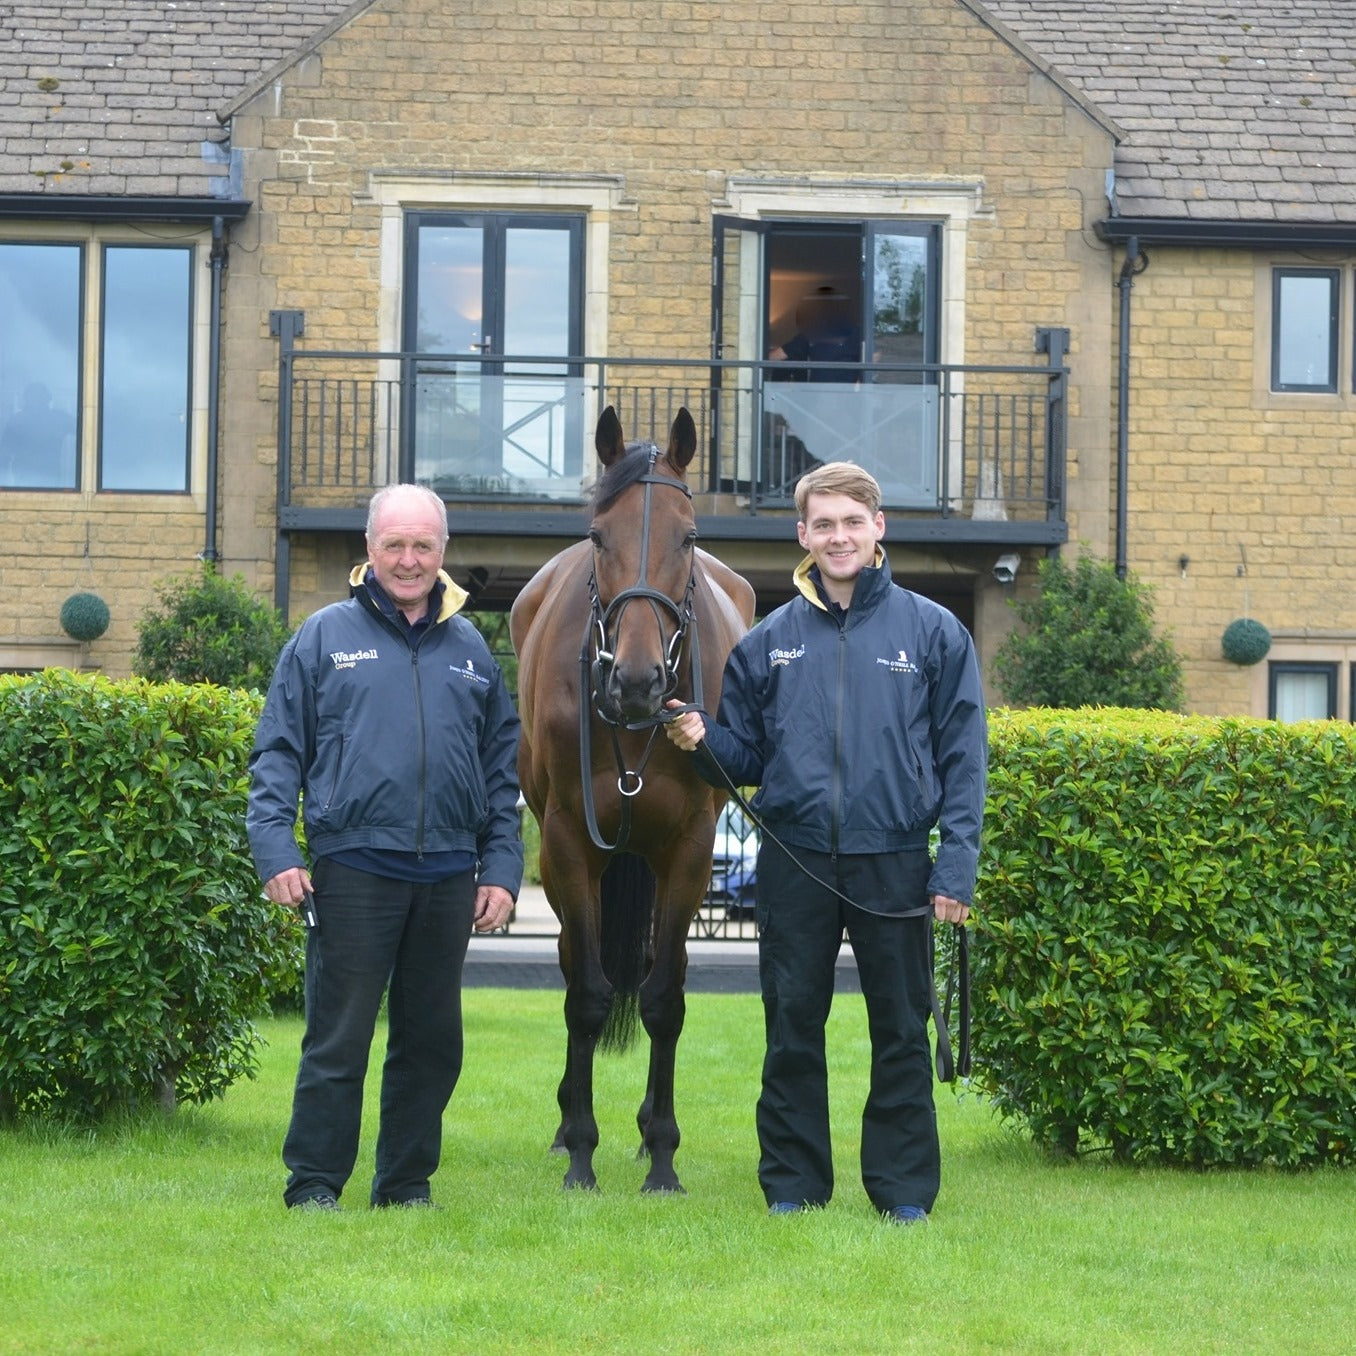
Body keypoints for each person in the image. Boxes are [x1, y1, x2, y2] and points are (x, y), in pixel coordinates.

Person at [664, 461, 986, 1225]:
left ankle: (904, 1193)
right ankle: (793, 1188)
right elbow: (744, 761)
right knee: (791, 1031)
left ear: (878, 528)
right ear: (802, 534)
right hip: (796, 862)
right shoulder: (767, 643)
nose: (837, 537)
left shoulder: (935, 633)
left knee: (902, 1032)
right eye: (823, 524)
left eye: (851, 522)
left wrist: (957, 867)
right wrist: (701, 739)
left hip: (897, 860)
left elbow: (963, 761)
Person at [247, 482, 523, 1211]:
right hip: (353, 867)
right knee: (338, 1041)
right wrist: (277, 850)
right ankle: (313, 1184)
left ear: (443, 552)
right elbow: (276, 752)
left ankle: (404, 1186)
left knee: (431, 1044)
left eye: (422, 546)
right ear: (370, 550)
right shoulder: (321, 637)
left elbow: (502, 771)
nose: (408, 559)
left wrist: (500, 867)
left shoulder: (471, 650)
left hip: (447, 876)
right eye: (395, 545)